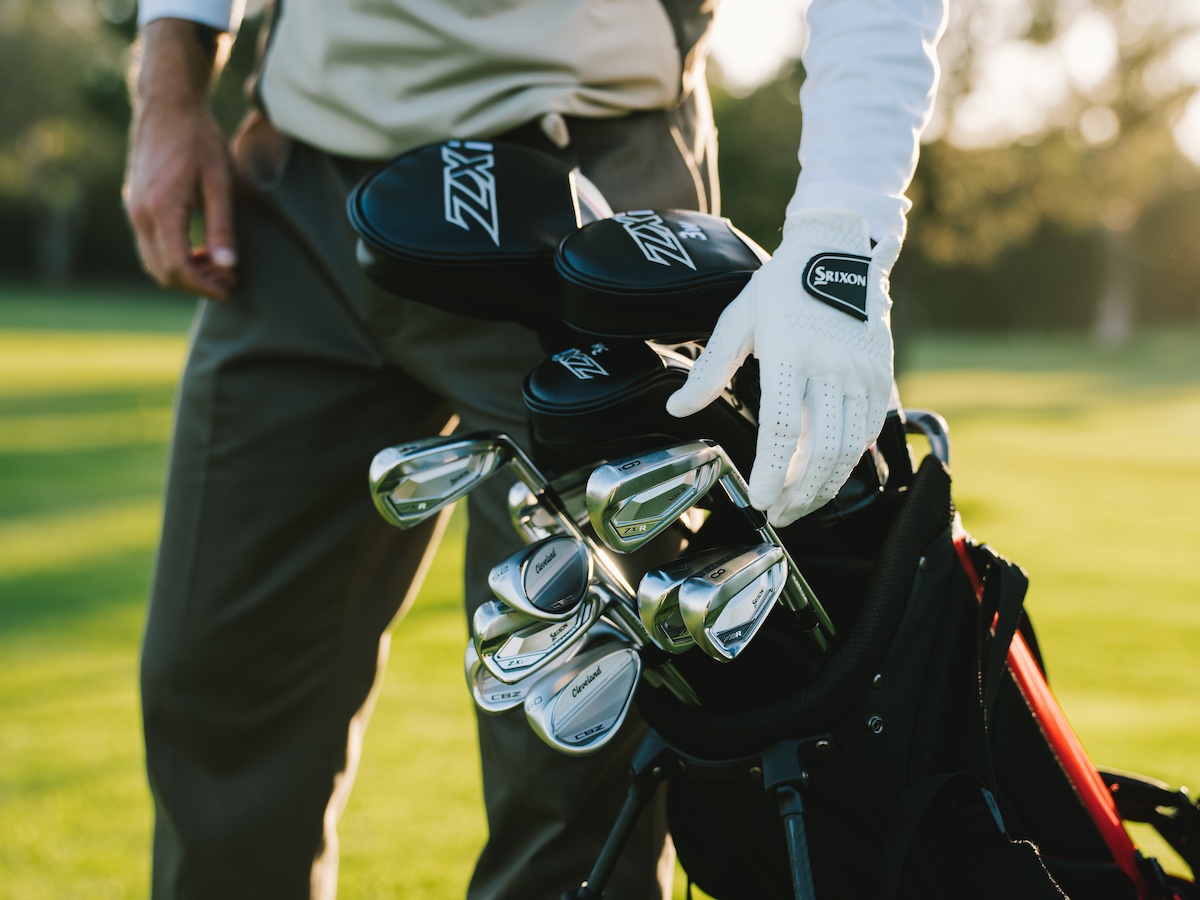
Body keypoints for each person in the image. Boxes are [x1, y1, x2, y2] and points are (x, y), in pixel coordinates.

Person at [123, 0, 947, 896]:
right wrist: (170, 87)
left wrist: (840, 236)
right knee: (219, 696)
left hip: (592, 197)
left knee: (572, 785)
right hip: (299, 185)